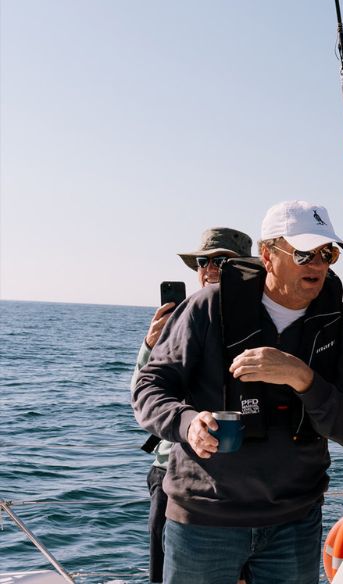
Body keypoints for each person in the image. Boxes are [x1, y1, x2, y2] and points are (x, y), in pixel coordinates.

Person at [132, 201, 343, 584]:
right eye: (304, 253)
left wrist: (303, 378)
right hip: (203, 523)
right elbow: (150, 387)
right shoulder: (207, 308)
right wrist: (187, 423)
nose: (317, 265)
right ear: (268, 255)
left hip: (294, 523)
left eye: (327, 253)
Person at [129, 226, 252, 584]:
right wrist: (151, 345)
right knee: (165, 572)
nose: (210, 268)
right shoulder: (177, 323)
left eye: (221, 261)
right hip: (171, 470)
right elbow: (143, 395)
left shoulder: (256, 323)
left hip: (236, 478)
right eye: (203, 261)